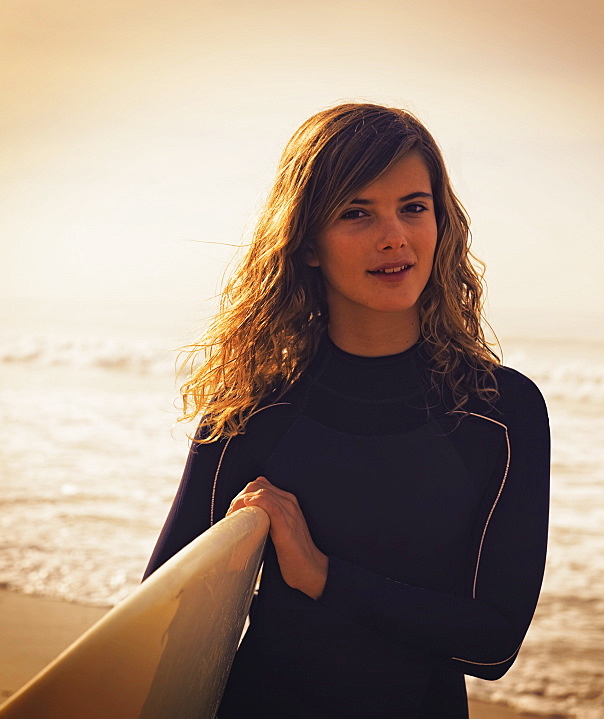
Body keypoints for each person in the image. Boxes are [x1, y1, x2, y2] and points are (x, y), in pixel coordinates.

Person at [143, 103, 550, 718]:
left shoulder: (498, 413)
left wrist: (322, 576)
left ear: (442, 222)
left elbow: (492, 644)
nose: (395, 236)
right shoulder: (251, 407)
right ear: (306, 243)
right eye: (356, 212)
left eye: (413, 207)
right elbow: (161, 618)